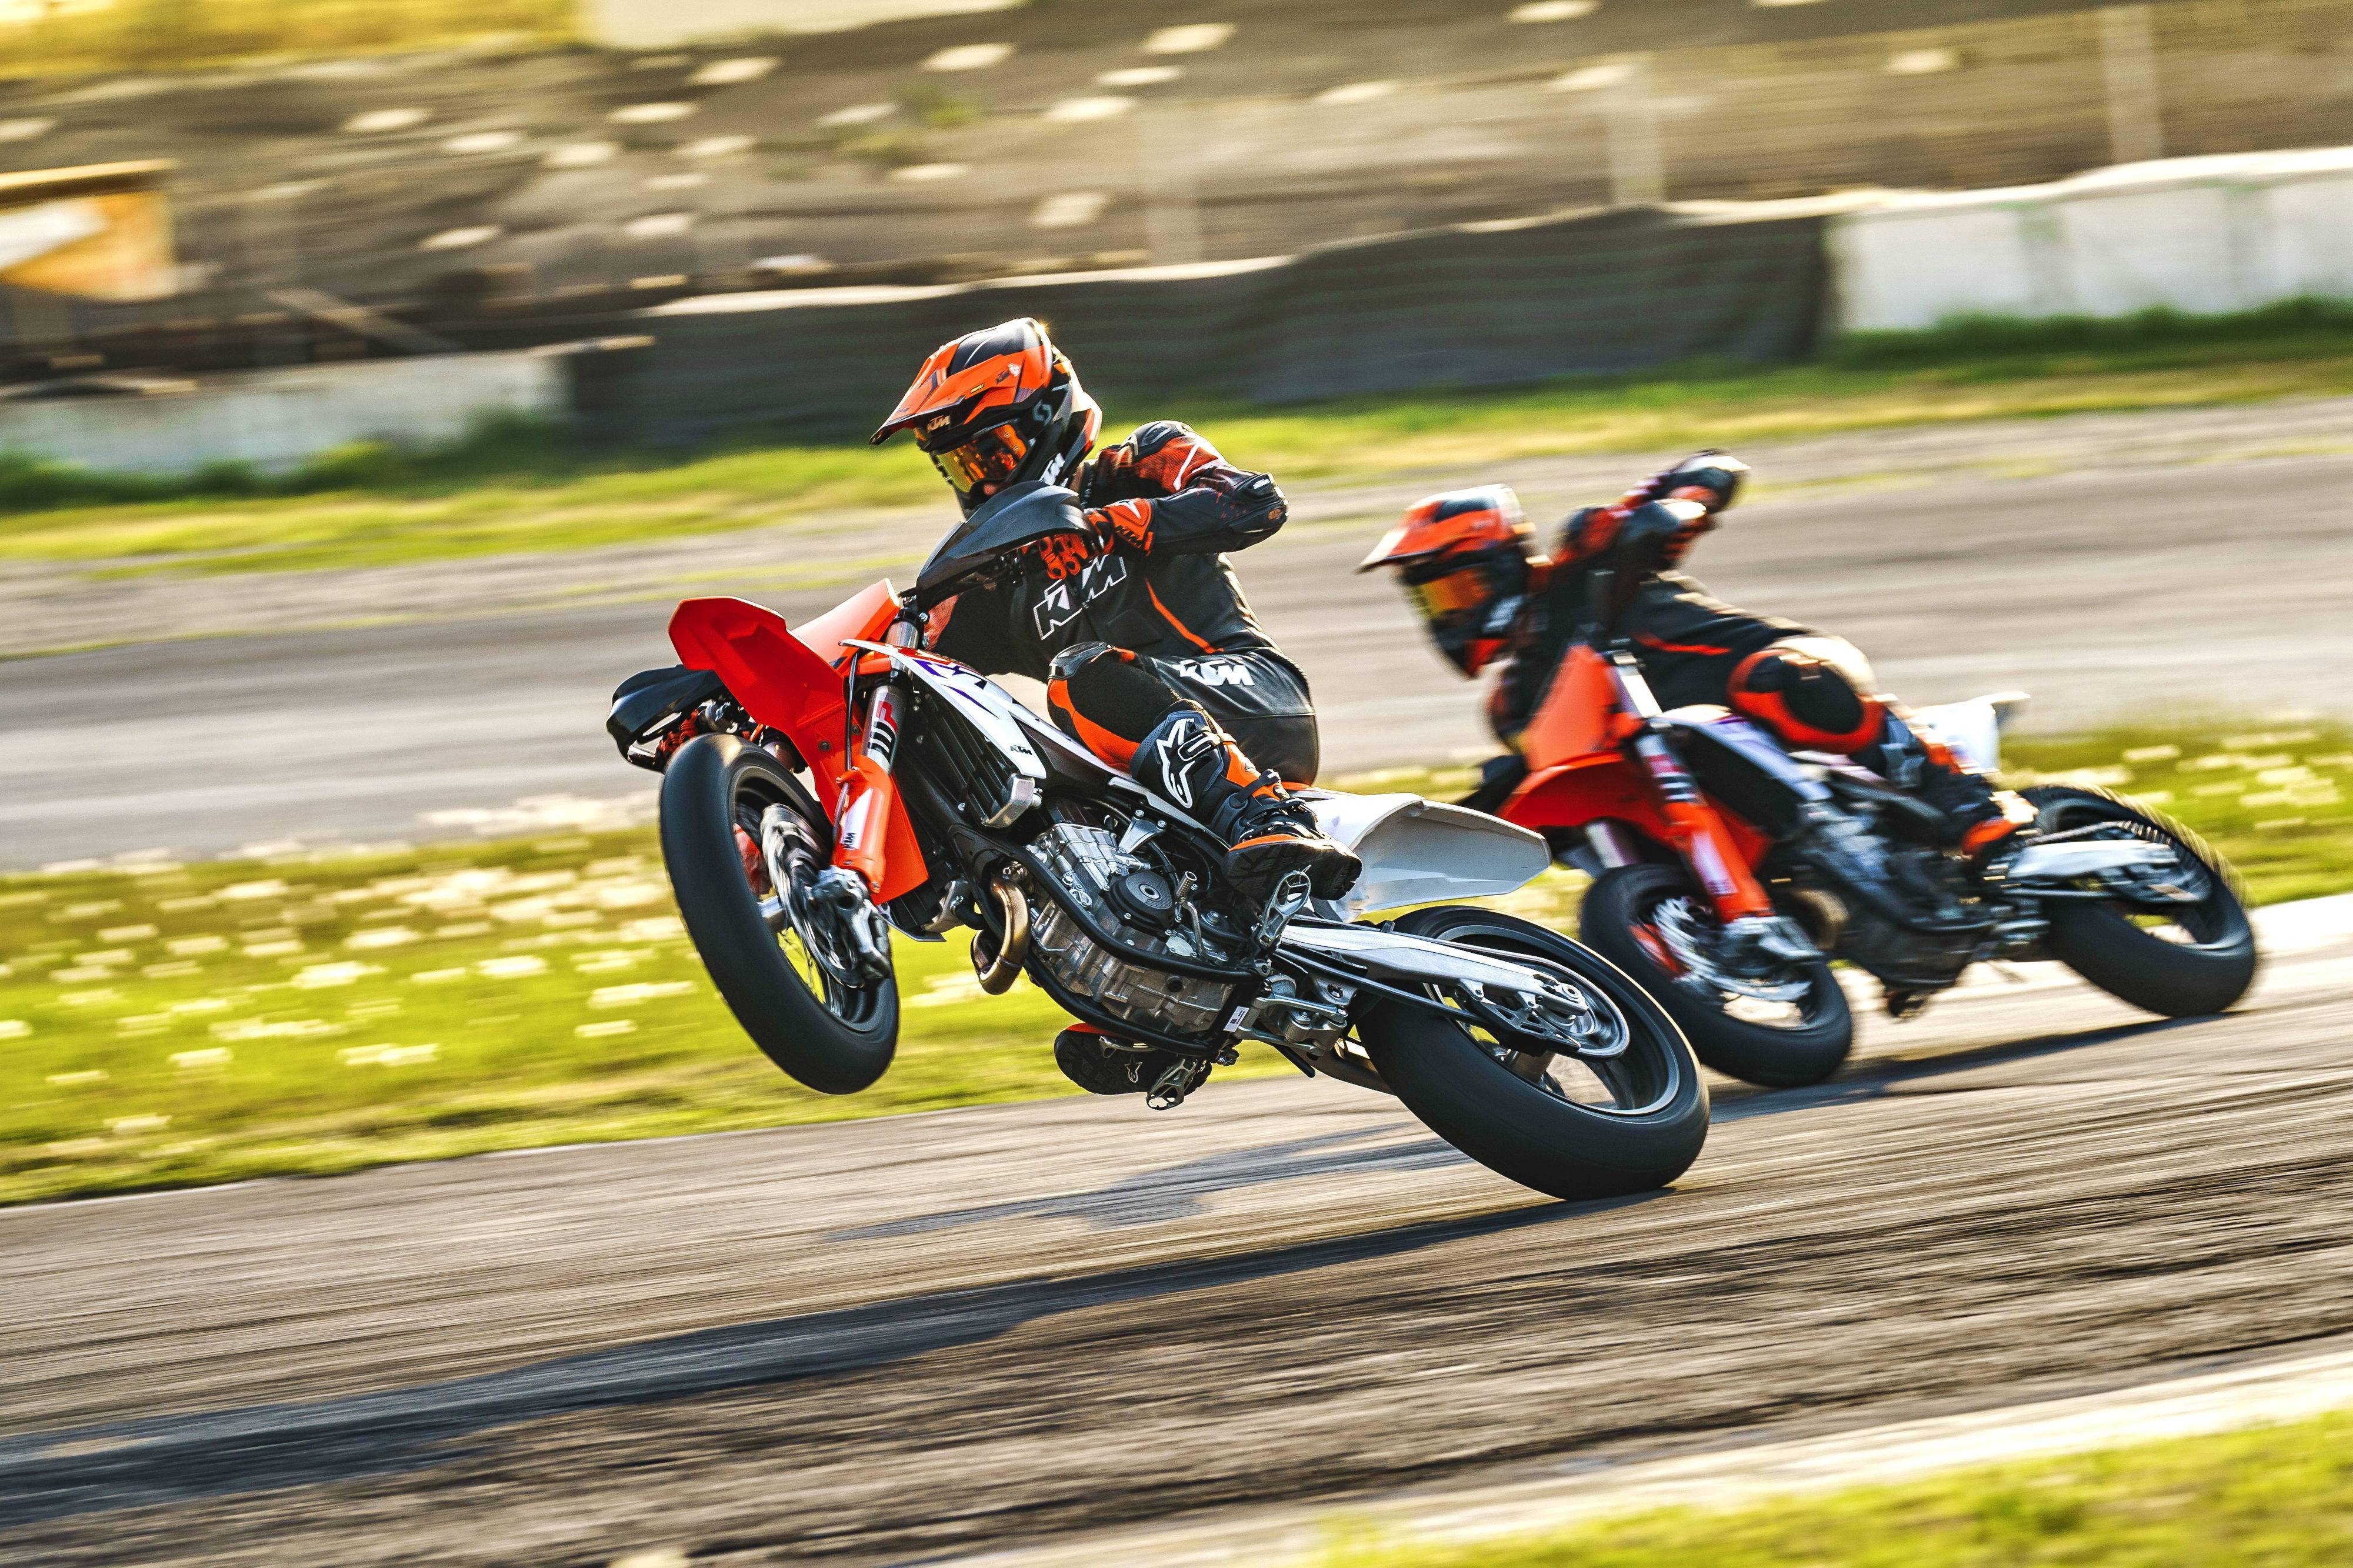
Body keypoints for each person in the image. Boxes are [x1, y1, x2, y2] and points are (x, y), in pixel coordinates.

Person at [871, 318, 1359, 1092]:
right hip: (1148, 776)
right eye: (961, 465)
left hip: (1251, 694)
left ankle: (1268, 818)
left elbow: (1254, 504)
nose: (980, 483)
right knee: (1024, 795)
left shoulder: (1143, 460)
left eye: (990, 453)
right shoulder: (1000, 580)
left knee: (1080, 676)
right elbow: (909, 663)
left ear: (1049, 418)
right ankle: (1152, 986)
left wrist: (1114, 524)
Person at [1357, 453, 2035, 875]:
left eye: (1458, 588)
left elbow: (1710, 466)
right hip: (1694, 777)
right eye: (1433, 600)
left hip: (1782, 672)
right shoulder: (1511, 703)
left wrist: (1682, 501)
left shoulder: (1586, 561)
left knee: (1779, 681)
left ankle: (1967, 801)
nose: (1449, 611)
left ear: (1502, 561)